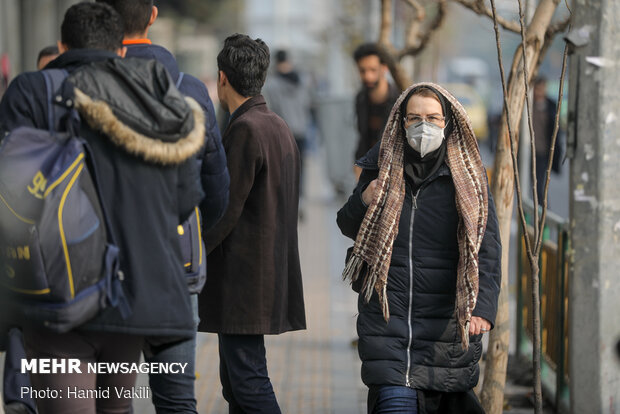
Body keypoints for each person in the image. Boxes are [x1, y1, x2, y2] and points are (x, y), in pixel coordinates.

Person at [0, 3, 204, 413]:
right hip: (131, 296)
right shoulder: (155, 95)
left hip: (58, 293)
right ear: (122, 50)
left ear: (61, 46)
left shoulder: (33, 90)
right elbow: (185, 200)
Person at [96, 1, 229, 412]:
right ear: (153, 15)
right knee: (176, 399)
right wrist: (189, 232)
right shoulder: (190, 89)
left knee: (112, 400)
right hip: (176, 265)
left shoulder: (86, 85)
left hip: (104, 272)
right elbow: (216, 187)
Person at [337, 82, 501, 413]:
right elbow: (347, 225)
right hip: (388, 323)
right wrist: (363, 199)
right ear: (401, 121)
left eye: (432, 117)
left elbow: (486, 247)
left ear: (447, 122)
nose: (422, 126)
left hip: (446, 331)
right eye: (413, 117)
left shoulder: (468, 181)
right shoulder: (380, 166)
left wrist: (482, 306)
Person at [198, 34, 306, 414]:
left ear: (222, 78)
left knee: (247, 381)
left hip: (243, 281)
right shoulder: (275, 124)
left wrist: (191, 254)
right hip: (264, 275)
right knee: (237, 383)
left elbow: (225, 209)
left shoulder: (246, 129)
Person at [263, 49, 312, 204]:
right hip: (301, 130)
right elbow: (308, 104)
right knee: (300, 167)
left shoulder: (271, 85)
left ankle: (285, 201)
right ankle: (300, 199)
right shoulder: (302, 81)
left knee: (282, 168)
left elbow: (269, 109)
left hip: (282, 132)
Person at [352, 43, 400, 180]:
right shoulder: (361, 98)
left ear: (384, 68)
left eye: (373, 70)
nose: (368, 76)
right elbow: (362, 136)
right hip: (367, 169)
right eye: (362, 71)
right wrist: (358, 163)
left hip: (394, 171)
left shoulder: (398, 99)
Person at [532, 76, 562, 204]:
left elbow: (556, 130)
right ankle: (539, 213)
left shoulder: (550, 105)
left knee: (540, 185)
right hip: (531, 151)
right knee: (533, 185)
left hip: (544, 152)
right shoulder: (528, 105)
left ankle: (543, 213)